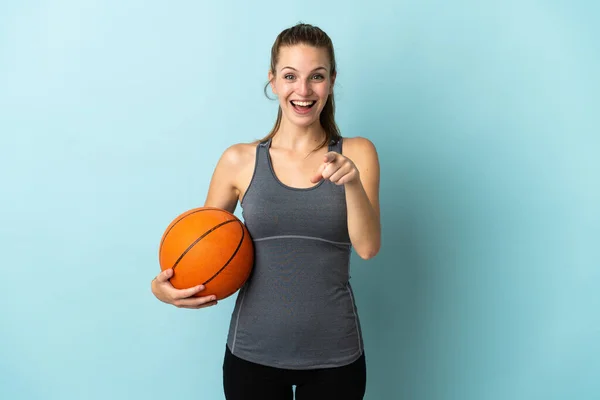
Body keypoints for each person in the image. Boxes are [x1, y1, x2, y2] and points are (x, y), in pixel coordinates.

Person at [151, 23, 381, 400]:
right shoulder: (238, 160)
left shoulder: (358, 153)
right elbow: (202, 255)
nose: (303, 91)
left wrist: (352, 182)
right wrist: (163, 289)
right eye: (290, 76)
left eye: (316, 77)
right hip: (251, 356)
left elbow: (369, 247)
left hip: (336, 357)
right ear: (273, 81)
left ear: (332, 81)